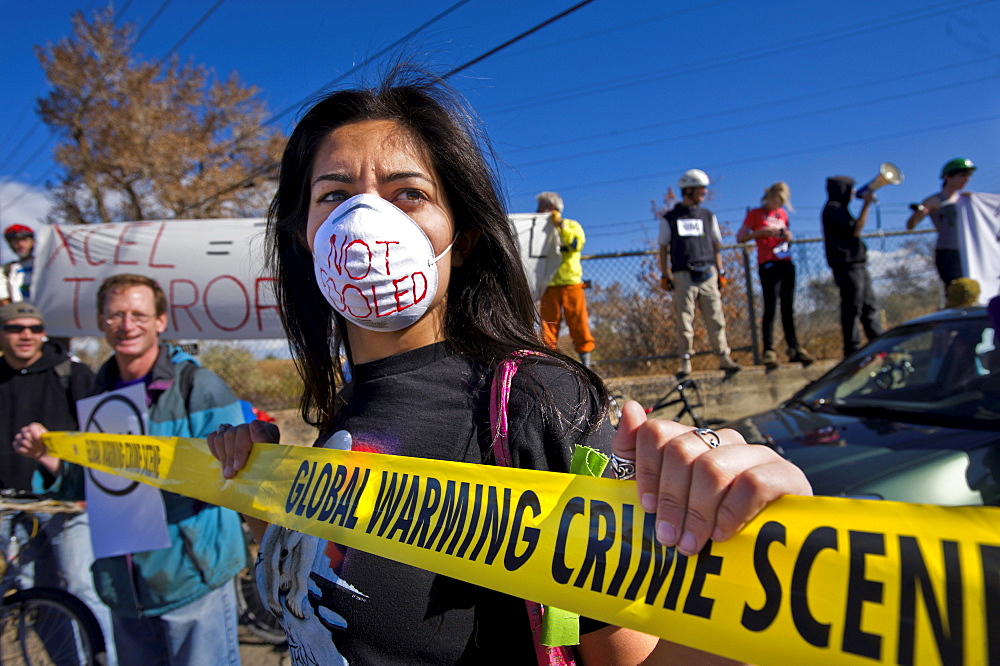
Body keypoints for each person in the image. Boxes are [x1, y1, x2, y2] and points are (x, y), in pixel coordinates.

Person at [207, 68, 811, 664]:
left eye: (408, 194)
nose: (366, 221)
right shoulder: (345, 404)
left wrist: (767, 563)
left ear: (461, 238)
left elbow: (632, 659)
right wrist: (262, 489)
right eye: (335, 195)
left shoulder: (536, 403)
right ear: (306, 234)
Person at [13, 274, 246, 665]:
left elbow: (235, 474)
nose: (126, 325)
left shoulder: (198, 385)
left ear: (160, 321)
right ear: (101, 322)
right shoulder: (98, 395)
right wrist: (51, 461)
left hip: (190, 580)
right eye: (116, 315)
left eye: (139, 314)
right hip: (124, 588)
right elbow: (98, 485)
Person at [0, 301, 117, 663]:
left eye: (34, 328)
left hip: (67, 505)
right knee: (37, 596)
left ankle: (104, 661)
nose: (26, 335)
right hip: (10, 508)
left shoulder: (71, 373)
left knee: (84, 589)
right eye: (16, 328)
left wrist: (87, 487)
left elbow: (101, 437)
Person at [659, 168, 741, 378]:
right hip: (682, 275)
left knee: (716, 318)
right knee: (685, 319)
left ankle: (724, 357)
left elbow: (716, 244)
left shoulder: (708, 216)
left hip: (708, 273)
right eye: (701, 190)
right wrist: (664, 274)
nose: (704, 193)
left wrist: (720, 271)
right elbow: (663, 247)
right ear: (688, 191)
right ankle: (685, 361)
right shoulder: (670, 218)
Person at [737, 182, 814, 369]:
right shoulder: (755, 214)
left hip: (786, 262)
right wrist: (760, 233)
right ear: (768, 197)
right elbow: (740, 237)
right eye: (776, 200)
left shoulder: (782, 214)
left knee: (788, 308)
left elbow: (787, 233)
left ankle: (794, 348)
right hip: (768, 264)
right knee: (771, 307)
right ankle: (769, 350)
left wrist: (788, 236)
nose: (778, 204)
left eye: (782, 202)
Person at [822, 176, 883, 357]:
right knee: (852, 307)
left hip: (857, 265)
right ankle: (852, 349)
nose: (853, 193)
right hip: (846, 266)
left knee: (869, 307)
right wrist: (866, 205)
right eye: (849, 189)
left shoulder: (840, 208)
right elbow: (855, 230)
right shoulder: (833, 209)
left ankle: (878, 342)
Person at [536, 191, 596, 367]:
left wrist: (560, 225)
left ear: (551, 208)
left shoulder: (571, 225)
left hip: (571, 283)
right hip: (548, 284)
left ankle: (586, 365)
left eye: (541, 207)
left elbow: (575, 244)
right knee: (547, 328)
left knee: (578, 323)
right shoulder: (538, 232)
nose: (538, 211)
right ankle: (550, 365)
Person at [906, 157, 976, 288]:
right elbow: (910, 225)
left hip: (969, 249)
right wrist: (918, 215)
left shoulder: (966, 198)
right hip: (949, 252)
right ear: (948, 177)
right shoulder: (934, 201)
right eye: (963, 175)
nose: (967, 179)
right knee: (957, 289)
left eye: (969, 176)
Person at [1, 224, 35, 304]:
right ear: (10, 245)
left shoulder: (46, 264)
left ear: (33, 242)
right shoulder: (6, 270)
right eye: (16, 241)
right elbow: (3, 301)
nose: (21, 244)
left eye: (25, 240)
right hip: (20, 313)